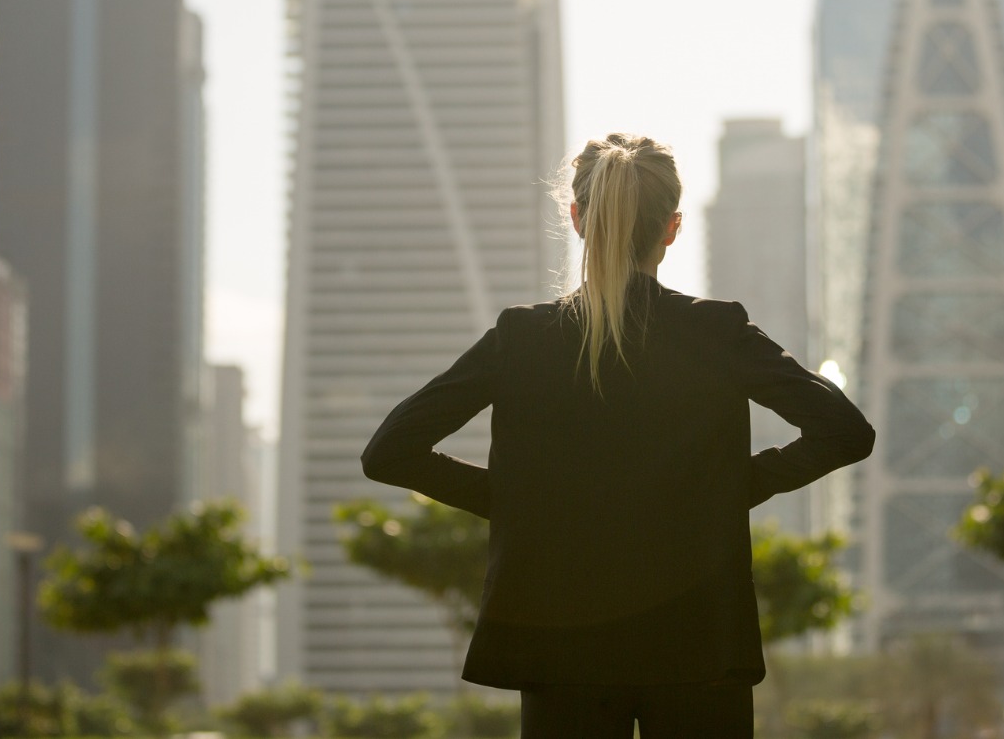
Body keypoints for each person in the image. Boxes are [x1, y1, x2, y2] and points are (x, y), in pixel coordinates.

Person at [361, 133, 875, 739]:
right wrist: (733, 488)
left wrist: (519, 500)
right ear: (672, 228)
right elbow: (844, 432)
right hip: (700, 640)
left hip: (560, 646)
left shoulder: (522, 338)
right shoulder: (716, 331)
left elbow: (389, 452)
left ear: (577, 219)